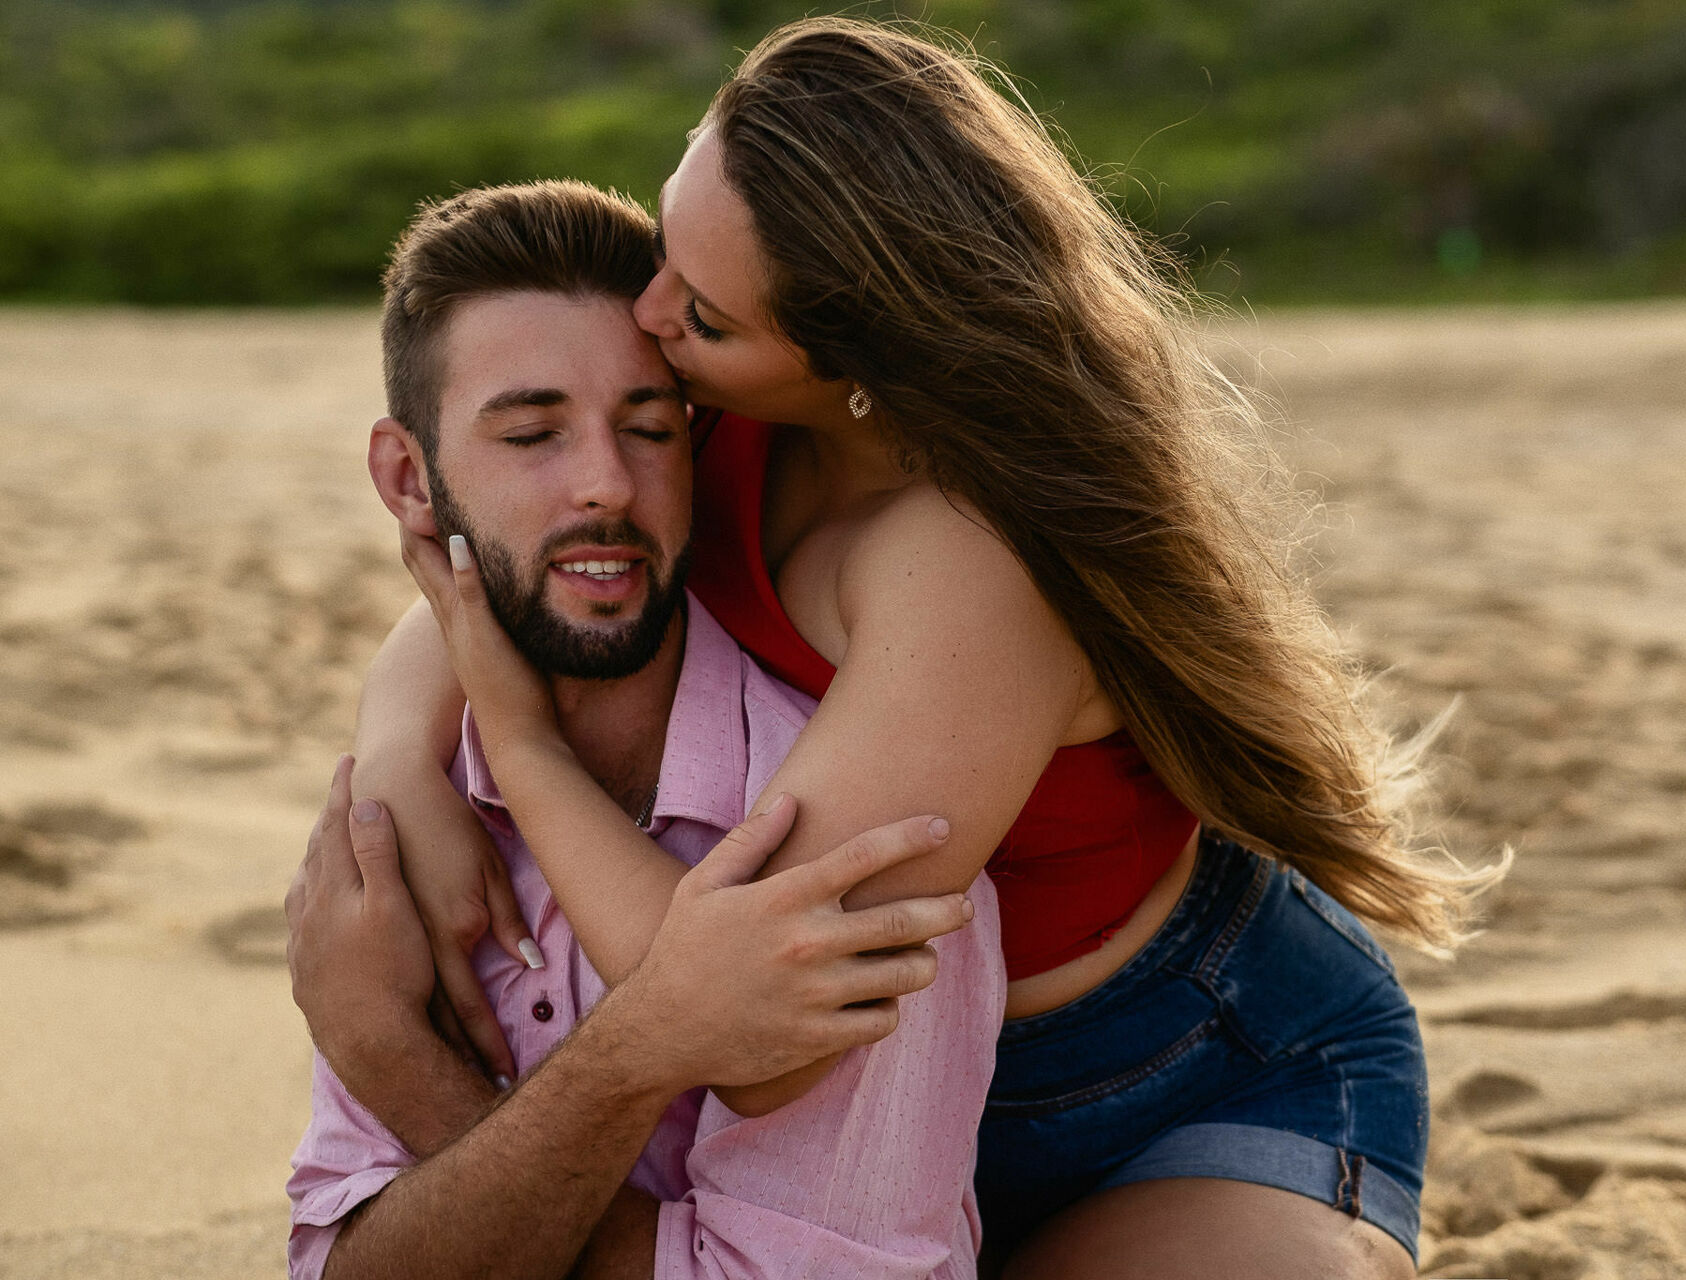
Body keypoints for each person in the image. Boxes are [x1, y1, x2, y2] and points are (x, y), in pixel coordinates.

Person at [352, 18, 1503, 1279]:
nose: (651, 313)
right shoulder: (721, 399)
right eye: (674, 235)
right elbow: (501, 566)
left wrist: (518, 746)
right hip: (883, 1112)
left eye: (708, 313)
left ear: (857, 362)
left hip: (1172, 1075)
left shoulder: (965, 560)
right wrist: (398, 756)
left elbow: (763, 1024)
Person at [284, 180, 1002, 1279]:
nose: (606, 486)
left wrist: (395, 1054)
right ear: (408, 479)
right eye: (532, 433)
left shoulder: (849, 829)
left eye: (648, 427)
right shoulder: (409, 814)